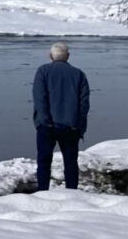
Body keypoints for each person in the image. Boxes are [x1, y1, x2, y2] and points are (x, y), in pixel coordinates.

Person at [33, 41, 89, 190]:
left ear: (50, 56)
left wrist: (45, 121)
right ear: (68, 56)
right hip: (71, 126)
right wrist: (80, 126)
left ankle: (43, 191)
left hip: (47, 126)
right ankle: (71, 192)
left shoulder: (43, 71)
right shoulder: (79, 74)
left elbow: (40, 99)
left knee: (44, 162)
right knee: (71, 163)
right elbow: (84, 105)